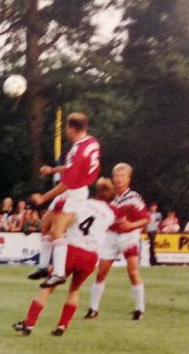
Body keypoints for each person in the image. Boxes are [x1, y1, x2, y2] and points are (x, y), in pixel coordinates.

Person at [14, 179, 116, 336]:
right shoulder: (110, 215)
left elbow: (64, 223)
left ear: (96, 191)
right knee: (74, 290)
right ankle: (62, 326)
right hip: (91, 255)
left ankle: (29, 323)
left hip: (72, 248)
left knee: (48, 287)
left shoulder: (82, 204)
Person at [29, 112, 102, 288]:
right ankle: (43, 267)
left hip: (74, 192)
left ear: (71, 128)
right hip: (74, 189)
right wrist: (53, 170)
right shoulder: (92, 142)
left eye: (66, 128)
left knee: (57, 230)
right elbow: (73, 169)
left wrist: (43, 197)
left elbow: (66, 183)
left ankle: (59, 273)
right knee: (45, 225)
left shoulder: (77, 150)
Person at [86, 164, 149, 321]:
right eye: (117, 176)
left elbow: (146, 219)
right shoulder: (108, 196)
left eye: (123, 176)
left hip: (129, 237)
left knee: (133, 272)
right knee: (101, 272)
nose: (119, 179)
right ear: (113, 178)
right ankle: (93, 308)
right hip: (111, 236)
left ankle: (139, 309)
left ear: (128, 178)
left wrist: (132, 225)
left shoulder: (134, 197)